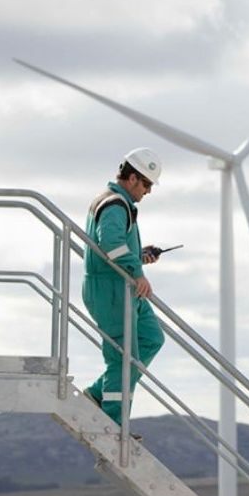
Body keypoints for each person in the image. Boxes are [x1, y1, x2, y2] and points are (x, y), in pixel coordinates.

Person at [82, 147, 165, 428]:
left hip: (121, 287)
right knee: (123, 357)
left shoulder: (118, 204)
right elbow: (110, 243)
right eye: (147, 184)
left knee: (152, 337)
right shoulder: (116, 204)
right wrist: (137, 271)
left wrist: (140, 255)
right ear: (131, 178)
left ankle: (96, 394)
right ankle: (112, 423)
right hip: (111, 291)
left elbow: (116, 248)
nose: (148, 191)